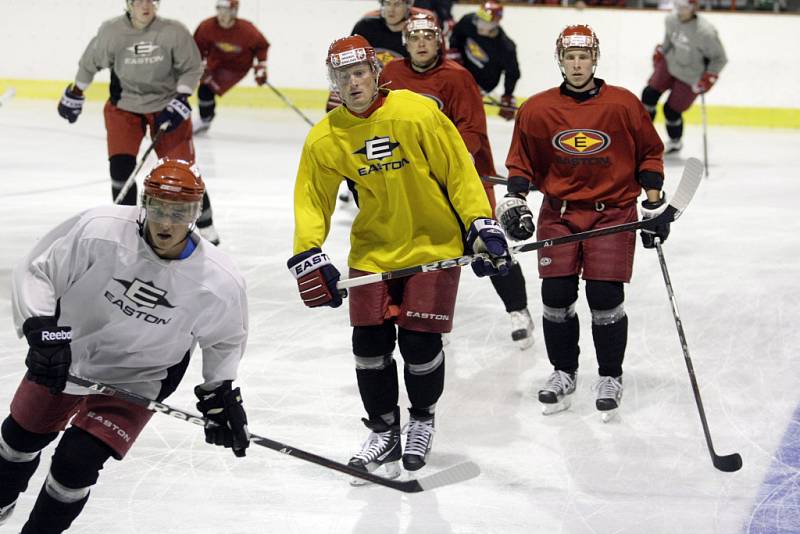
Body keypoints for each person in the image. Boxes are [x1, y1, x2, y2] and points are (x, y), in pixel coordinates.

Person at [287, 35, 512, 480]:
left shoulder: (417, 112)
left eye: (358, 73)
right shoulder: (327, 136)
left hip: (434, 243)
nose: (352, 84)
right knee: (367, 345)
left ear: (375, 72)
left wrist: (478, 222)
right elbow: (312, 200)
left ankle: (422, 421)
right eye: (341, 76)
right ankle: (383, 429)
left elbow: (459, 171)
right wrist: (307, 251)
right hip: (374, 250)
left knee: (419, 344)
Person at [0, 158, 249, 532]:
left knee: (77, 463)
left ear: (195, 213)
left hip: (140, 375)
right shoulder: (101, 229)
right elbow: (40, 271)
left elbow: (225, 340)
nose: (167, 223)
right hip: (69, 355)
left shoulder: (219, 280)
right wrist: (42, 331)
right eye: (159, 209)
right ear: (144, 203)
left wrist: (220, 394)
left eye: (179, 212)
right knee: (20, 440)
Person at [496, 25, 667, 421]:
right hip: (559, 213)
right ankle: (563, 372)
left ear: (595, 58)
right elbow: (521, 162)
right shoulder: (537, 109)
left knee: (605, 299)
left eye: (583, 56)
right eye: (570, 57)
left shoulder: (623, 104)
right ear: (560, 59)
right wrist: (515, 199)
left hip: (614, 212)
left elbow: (649, 154)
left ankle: (610, 375)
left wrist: (654, 205)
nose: (577, 64)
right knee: (556, 297)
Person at [381, 13, 534, 348]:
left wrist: (439, 167)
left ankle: (518, 310)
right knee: (425, 246)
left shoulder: (458, 78)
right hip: (416, 179)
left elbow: (472, 132)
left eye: (428, 37)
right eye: (414, 37)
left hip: (465, 177)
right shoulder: (391, 74)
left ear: (439, 41)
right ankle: (430, 317)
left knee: (486, 242)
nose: (421, 43)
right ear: (404, 42)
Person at [56, 0, 222, 245]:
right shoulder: (112, 31)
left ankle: (206, 224)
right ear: (129, 4)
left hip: (167, 107)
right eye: (139, 1)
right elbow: (89, 63)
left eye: (151, 1)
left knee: (184, 171)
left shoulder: (173, 31)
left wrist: (182, 97)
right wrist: (76, 92)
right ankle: (127, 229)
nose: (146, 6)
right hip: (125, 108)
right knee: (121, 170)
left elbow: (192, 67)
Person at [640, 0, 727, 154]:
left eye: (684, 7)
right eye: (677, 5)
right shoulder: (671, 19)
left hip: (691, 74)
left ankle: (675, 141)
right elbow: (668, 40)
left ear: (694, 8)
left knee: (671, 111)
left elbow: (720, 58)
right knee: (649, 95)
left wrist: (709, 77)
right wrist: (661, 52)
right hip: (671, 63)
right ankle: (641, 137)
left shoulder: (705, 32)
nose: (680, 10)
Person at [193, 0, 271, 134]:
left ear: (234, 11)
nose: (221, 14)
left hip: (238, 68)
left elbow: (262, 46)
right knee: (205, 89)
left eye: (226, 11)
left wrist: (261, 66)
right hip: (216, 65)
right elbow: (196, 48)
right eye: (219, 9)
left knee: (207, 88)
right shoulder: (207, 27)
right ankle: (205, 119)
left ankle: (206, 118)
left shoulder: (247, 30)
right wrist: (199, 66)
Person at [448, 1, 520, 121]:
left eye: (485, 23)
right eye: (479, 20)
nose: (479, 26)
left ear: (496, 22)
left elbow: (512, 73)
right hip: (463, 69)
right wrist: (455, 52)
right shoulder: (468, 21)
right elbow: (456, 35)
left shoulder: (506, 47)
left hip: (484, 82)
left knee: (463, 113)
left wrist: (507, 95)